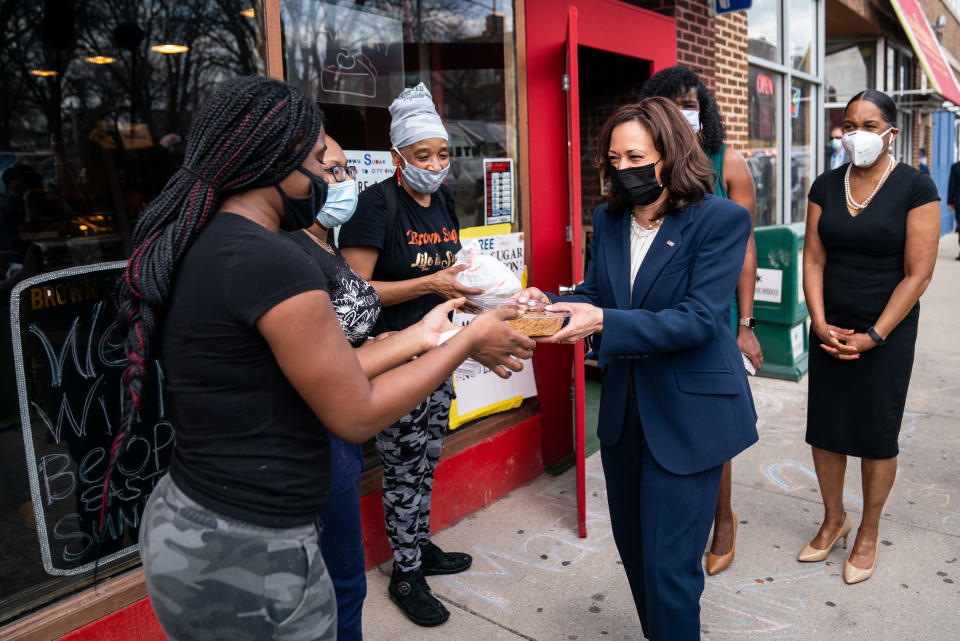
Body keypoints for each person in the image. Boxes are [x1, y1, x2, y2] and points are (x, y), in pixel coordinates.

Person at [108, 76, 534, 641]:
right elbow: (354, 413)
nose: (335, 179)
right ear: (275, 160)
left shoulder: (214, 240)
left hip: (199, 524)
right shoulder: (272, 260)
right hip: (249, 553)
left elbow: (324, 373)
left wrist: (425, 337)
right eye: (320, 161)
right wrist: (467, 341)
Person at [517, 98, 758, 641]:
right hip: (626, 415)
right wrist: (549, 302)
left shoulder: (720, 219)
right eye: (614, 158)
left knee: (670, 568)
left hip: (689, 415)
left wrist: (602, 318)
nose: (623, 168)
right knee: (636, 552)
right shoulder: (609, 219)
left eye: (635, 156)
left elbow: (698, 319)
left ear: (670, 156)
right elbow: (599, 294)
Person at [339, 83, 480, 627]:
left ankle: (420, 548)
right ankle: (406, 573)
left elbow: (450, 270)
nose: (436, 165)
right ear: (398, 156)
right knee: (401, 467)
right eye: (423, 156)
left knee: (427, 458)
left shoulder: (442, 199)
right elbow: (357, 290)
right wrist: (430, 284)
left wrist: (480, 290)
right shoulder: (376, 204)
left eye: (443, 154)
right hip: (393, 356)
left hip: (439, 351)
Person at [801, 90, 939, 584]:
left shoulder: (915, 188)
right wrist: (817, 320)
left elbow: (918, 274)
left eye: (869, 123)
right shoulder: (824, 185)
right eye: (849, 124)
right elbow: (813, 258)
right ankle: (834, 519)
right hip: (830, 325)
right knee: (827, 427)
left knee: (877, 435)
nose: (856, 133)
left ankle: (868, 531)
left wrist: (875, 336)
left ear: (890, 133)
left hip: (887, 331)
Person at [640, 66, 761, 575]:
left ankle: (723, 519)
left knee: (710, 414)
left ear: (703, 108)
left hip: (710, 305)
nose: (683, 111)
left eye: (691, 102)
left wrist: (746, 322)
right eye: (672, 102)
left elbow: (745, 244)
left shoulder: (725, 160)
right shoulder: (646, 163)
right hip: (655, 302)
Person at [947, 158, 960, 259]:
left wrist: (950, 202)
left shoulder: (956, 167)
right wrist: (950, 201)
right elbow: (952, 185)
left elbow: (952, 186)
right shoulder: (955, 167)